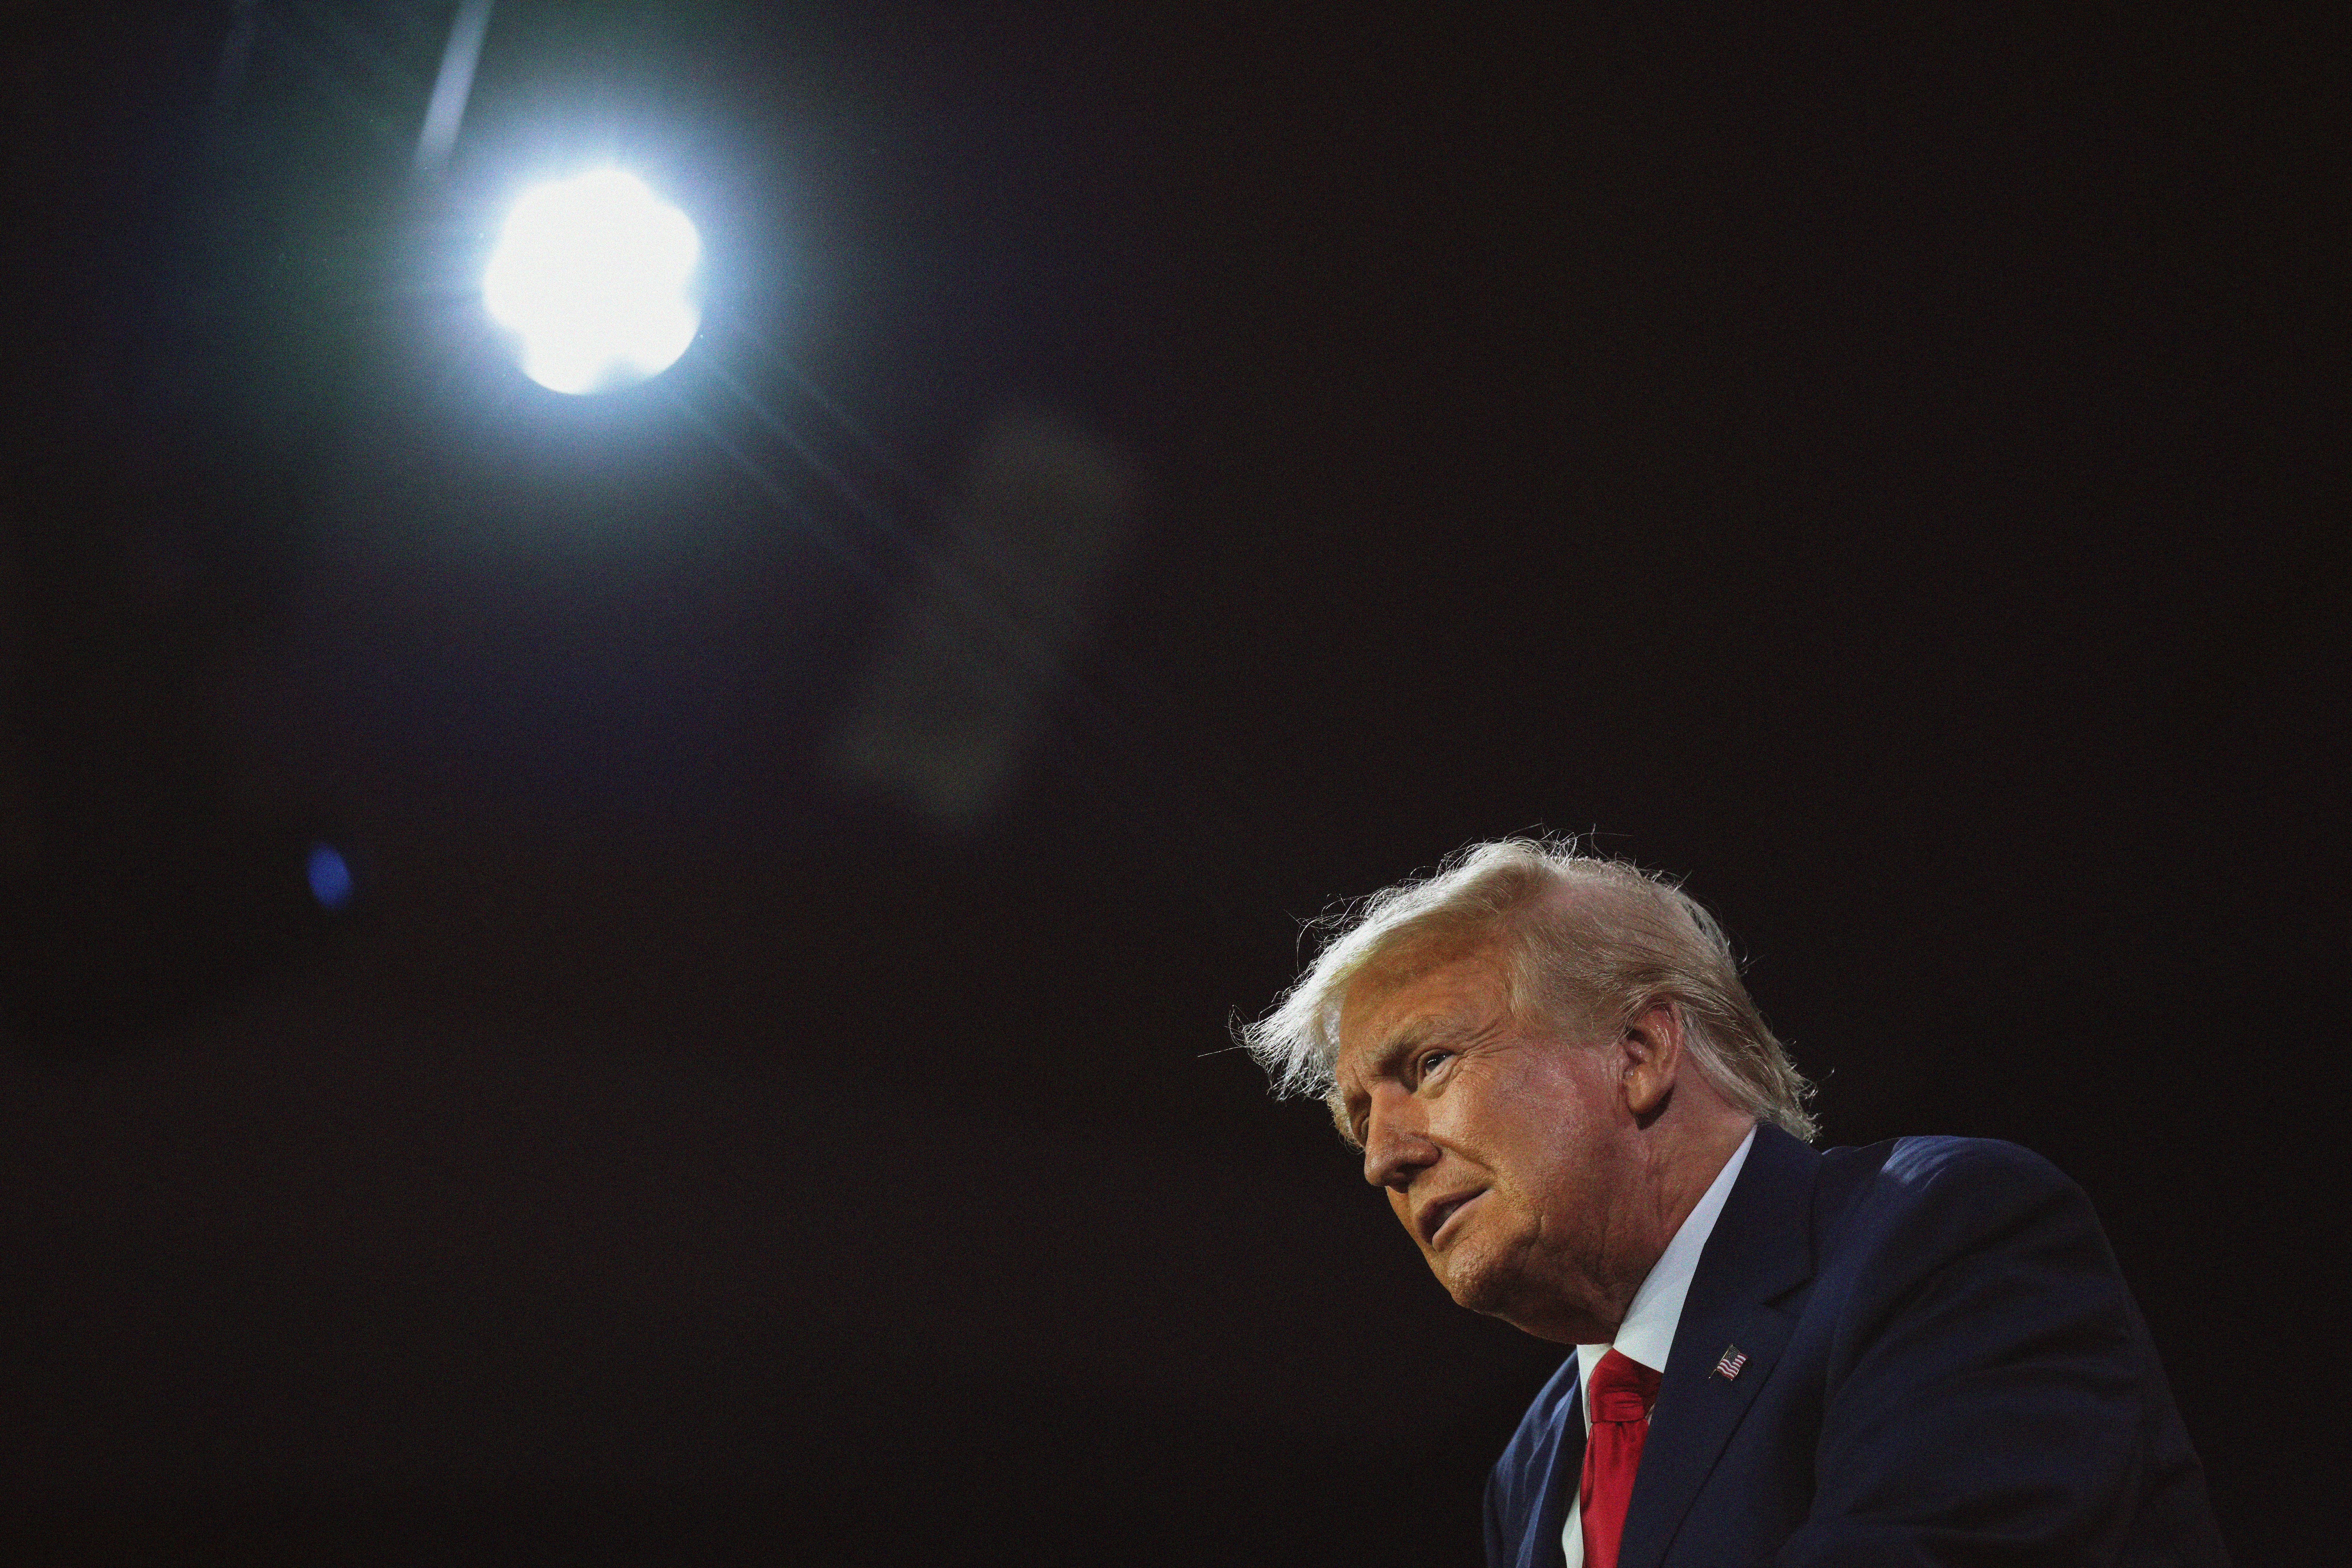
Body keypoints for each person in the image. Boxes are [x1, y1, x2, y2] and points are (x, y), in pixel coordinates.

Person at [1240, 838, 2227, 1568]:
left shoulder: (1944, 1235)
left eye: (1431, 1063)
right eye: (1358, 1120)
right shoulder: (1536, 1465)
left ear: (1639, 1054)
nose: (1383, 1159)